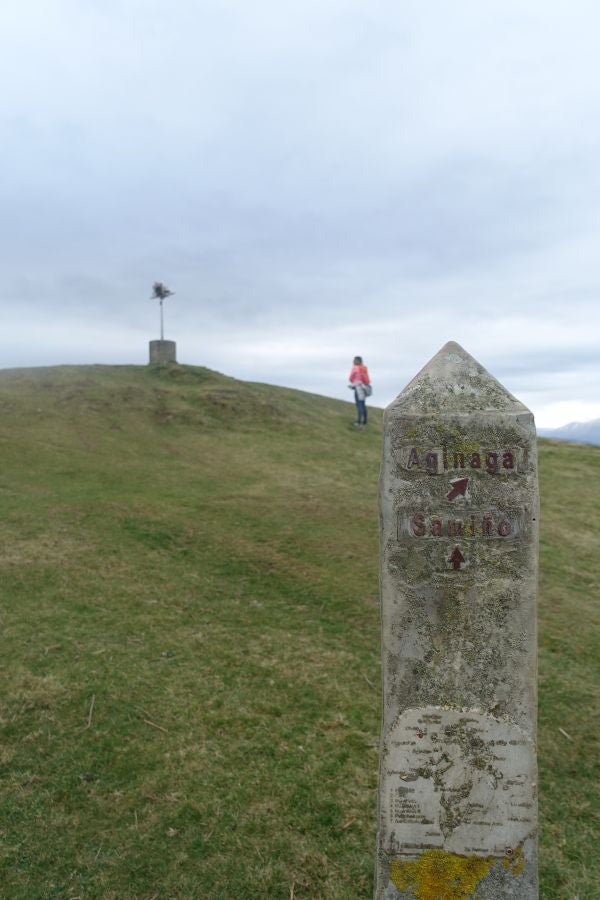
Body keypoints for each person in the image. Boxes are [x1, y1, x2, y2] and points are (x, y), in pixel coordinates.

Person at [348, 355, 371, 427]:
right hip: (364, 387)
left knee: (359, 405)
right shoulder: (364, 368)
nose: (353, 361)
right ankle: (364, 422)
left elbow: (350, 378)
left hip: (358, 387)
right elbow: (367, 380)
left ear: (358, 361)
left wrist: (354, 381)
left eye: (354, 360)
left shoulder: (355, 368)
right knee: (363, 404)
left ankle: (359, 422)